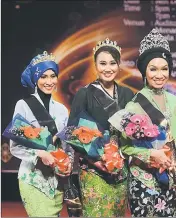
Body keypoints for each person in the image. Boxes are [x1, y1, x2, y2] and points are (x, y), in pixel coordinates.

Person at [109, 28, 176, 217]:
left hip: (169, 179)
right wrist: (151, 153)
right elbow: (125, 148)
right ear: (144, 71)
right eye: (153, 69)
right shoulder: (134, 105)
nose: (159, 75)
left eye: (164, 69)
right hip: (142, 180)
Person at [68, 38, 134, 217]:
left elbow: (135, 130)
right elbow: (72, 132)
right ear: (95, 66)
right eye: (102, 63)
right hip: (93, 170)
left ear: (119, 65)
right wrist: (97, 161)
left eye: (113, 63)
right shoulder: (84, 93)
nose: (108, 68)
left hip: (119, 170)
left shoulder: (127, 94)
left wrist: (119, 159)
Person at [10, 51, 73, 216]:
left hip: (56, 181)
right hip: (32, 179)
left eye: (53, 76)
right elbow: (14, 147)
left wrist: (68, 165)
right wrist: (40, 154)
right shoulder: (23, 105)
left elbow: (66, 148)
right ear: (35, 79)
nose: (49, 81)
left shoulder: (62, 110)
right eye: (43, 76)